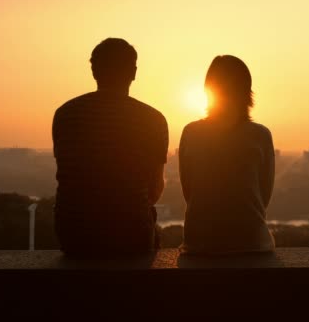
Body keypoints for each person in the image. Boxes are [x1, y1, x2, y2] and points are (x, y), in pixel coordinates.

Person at [52, 38, 168, 256]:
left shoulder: (65, 114)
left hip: (74, 234)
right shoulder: (153, 119)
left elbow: (67, 176)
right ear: (133, 72)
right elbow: (154, 189)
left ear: (94, 71)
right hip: (131, 234)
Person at [179, 55, 275, 254]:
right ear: (247, 92)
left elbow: (190, 192)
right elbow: (263, 195)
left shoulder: (191, 133)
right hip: (252, 244)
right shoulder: (260, 135)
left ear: (209, 91)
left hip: (199, 243)